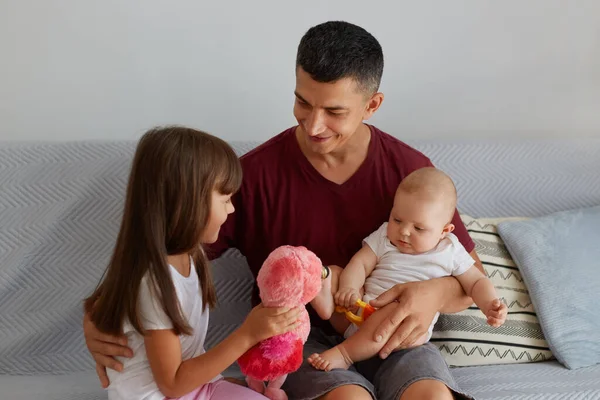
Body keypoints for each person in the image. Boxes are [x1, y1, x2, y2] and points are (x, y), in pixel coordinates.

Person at [83, 21, 485, 399]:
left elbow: (474, 281)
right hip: (296, 335)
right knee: (349, 396)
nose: (313, 126)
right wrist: (98, 312)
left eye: (334, 112)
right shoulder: (253, 175)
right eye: (302, 102)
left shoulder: (411, 173)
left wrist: (433, 293)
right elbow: (163, 252)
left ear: (372, 105)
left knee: (431, 395)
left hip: (390, 333)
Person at [83, 127, 302, 400]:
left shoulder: (191, 254)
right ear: (186, 202)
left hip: (194, 387)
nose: (232, 209)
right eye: (224, 199)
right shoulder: (154, 282)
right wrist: (247, 335)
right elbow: (172, 384)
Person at [308, 167, 508, 372]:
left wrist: (490, 304)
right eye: (397, 219)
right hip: (358, 313)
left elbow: (476, 282)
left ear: (444, 231)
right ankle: (326, 304)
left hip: (401, 329)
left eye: (418, 228)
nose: (403, 231)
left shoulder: (450, 250)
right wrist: (350, 287)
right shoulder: (384, 236)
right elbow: (360, 263)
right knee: (333, 272)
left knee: (397, 308)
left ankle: (345, 354)